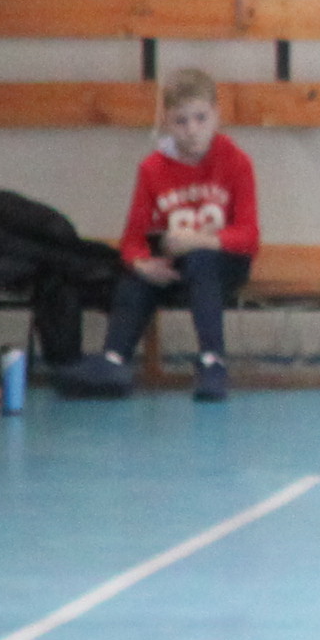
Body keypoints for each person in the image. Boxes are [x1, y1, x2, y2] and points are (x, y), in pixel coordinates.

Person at [57, 70, 261, 403]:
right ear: (167, 122)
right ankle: (114, 360)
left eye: (200, 118)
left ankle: (213, 361)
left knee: (201, 260)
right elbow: (132, 239)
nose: (192, 129)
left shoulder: (237, 163)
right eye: (181, 121)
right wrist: (141, 264)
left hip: (222, 263)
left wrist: (198, 241)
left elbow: (249, 236)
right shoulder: (152, 168)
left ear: (216, 115)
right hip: (174, 266)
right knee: (136, 275)